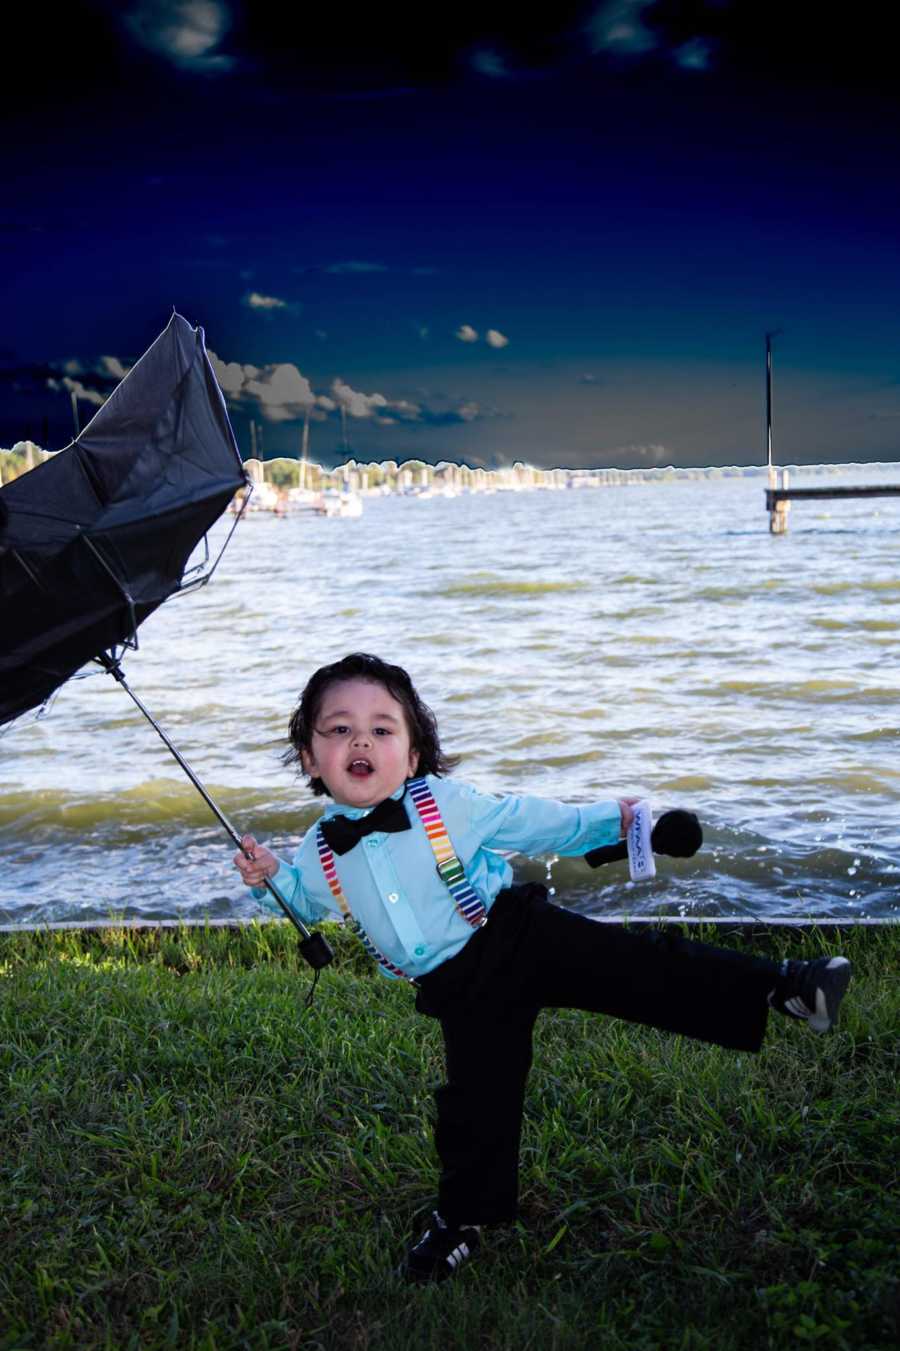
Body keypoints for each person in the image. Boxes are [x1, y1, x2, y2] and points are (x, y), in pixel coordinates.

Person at [233, 652, 852, 1284]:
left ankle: (787, 985)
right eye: (338, 729)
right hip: (459, 988)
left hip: (518, 934)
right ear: (310, 758)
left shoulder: (450, 804)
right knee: (474, 1101)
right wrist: (270, 877)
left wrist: (635, 824)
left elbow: (544, 824)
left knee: (638, 968)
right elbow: (307, 900)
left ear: (414, 755)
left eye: (382, 728)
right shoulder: (318, 847)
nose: (360, 738)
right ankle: (462, 1219)